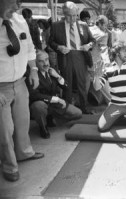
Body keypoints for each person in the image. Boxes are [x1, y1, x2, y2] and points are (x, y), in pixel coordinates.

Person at [0, 0, 44, 182]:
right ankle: (10, 166)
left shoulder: (19, 20)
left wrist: (33, 70)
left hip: (20, 81)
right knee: (5, 130)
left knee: (22, 122)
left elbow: (29, 48)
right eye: (13, 2)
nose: (17, 7)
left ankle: (24, 153)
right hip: (1, 87)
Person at [48, 1, 95, 114]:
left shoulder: (83, 25)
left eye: (75, 15)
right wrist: (59, 47)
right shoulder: (56, 25)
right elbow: (50, 42)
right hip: (65, 56)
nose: (73, 18)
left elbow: (93, 41)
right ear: (64, 14)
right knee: (66, 83)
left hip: (80, 56)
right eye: (69, 15)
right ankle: (67, 109)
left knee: (82, 83)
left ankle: (84, 107)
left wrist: (88, 45)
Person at [28, 50, 82, 139]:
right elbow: (34, 95)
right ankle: (43, 127)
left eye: (46, 60)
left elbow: (67, 87)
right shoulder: (33, 75)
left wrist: (58, 76)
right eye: (41, 61)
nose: (45, 63)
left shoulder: (52, 70)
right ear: (35, 63)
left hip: (54, 104)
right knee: (38, 106)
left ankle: (51, 117)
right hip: (42, 103)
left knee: (77, 113)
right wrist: (57, 99)